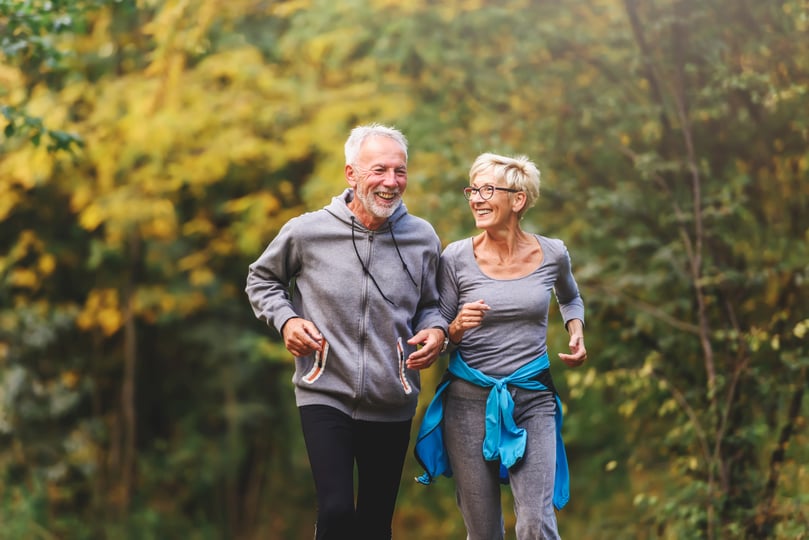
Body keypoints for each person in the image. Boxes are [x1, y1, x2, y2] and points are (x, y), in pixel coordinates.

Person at [245, 123, 449, 540]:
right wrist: (287, 320)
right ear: (351, 174)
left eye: (400, 171)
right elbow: (261, 280)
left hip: (393, 397)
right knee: (337, 511)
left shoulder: (422, 237)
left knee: (375, 523)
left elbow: (433, 304)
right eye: (379, 170)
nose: (391, 182)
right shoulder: (308, 232)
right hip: (324, 390)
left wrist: (436, 331)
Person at [414, 152, 587, 539]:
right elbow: (439, 329)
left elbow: (570, 298)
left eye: (487, 189)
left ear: (518, 199)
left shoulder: (552, 253)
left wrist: (576, 330)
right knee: (484, 530)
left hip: (532, 398)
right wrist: (456, 326)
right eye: (472, 190)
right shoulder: (456, 257)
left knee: (535, 522)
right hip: (467, 402)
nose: (476, 198)